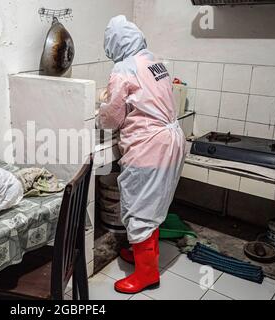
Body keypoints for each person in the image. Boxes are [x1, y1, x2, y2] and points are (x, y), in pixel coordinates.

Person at [97, 15, 186, 294]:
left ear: (114, 43)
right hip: (171, 142)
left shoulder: (124, 69)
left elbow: (111, 117)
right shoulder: (153, 62)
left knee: (139, 208)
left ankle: (147, 274)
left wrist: (100, 112)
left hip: (148, 146)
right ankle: (143, 254)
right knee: (153, 205)